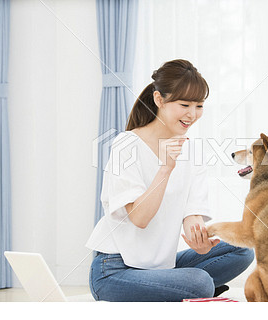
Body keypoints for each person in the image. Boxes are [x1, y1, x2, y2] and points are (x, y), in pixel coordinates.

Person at [86, 59, 254, 302]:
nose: (192, 114)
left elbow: (192, 216)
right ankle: (185, 290)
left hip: (162, 268)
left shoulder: (192, 151)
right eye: (184, 104)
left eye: (199, 106)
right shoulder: (126, 145)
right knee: (200, 282)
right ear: (159, 100)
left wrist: (200, 241)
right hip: (114, 270)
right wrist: (165, 169)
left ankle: (173, 288)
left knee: (241, 249)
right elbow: (140, 218)